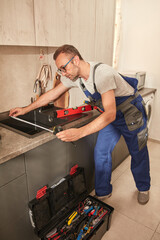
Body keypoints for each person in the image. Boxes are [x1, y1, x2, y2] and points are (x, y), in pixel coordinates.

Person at [9, 44, 150, 204]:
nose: (63, 73)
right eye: (60, 70)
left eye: (64, 68)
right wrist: (26, 109)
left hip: (130, 112)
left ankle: (144, 187)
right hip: (111, 115)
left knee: (138, 152)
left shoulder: (102, 74)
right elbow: (52, 94)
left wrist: (79, 132)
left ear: (75, 60)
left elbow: (109, 114)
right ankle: (103, 192)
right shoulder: (76, 78)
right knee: (101, 152)